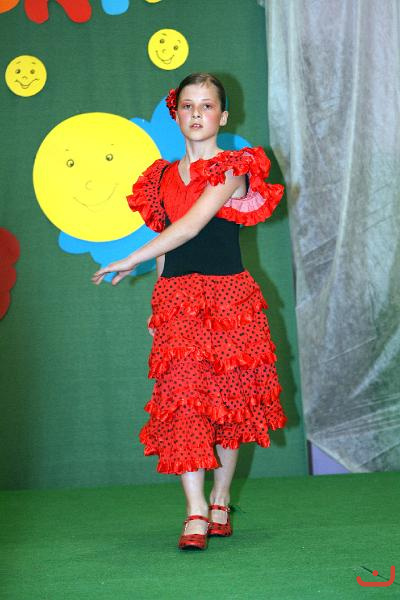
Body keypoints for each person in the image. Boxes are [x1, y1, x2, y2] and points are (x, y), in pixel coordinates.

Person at [91, 72, 288, 551]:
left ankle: (220, 498)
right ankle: (195, 509)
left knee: (228, 405)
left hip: (230, 301)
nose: (196, 113)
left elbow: (191, 226)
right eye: (187, 106)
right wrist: (158, 303)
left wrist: (128, 258)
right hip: (179, 303)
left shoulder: (232, 168)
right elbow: (167, 245)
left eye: (206, 105)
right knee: (183, 401)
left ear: (223, 116)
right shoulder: (159, 177)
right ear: (176, 114)